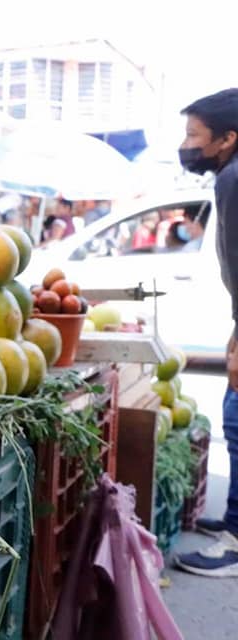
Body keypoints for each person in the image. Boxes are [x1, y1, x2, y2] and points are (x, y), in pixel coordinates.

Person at [174, 88, 238, 578]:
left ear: (227, 139)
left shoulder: (233, 180)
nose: (187, 144)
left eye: (195, 136)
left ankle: (234, 545)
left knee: (237, 420)